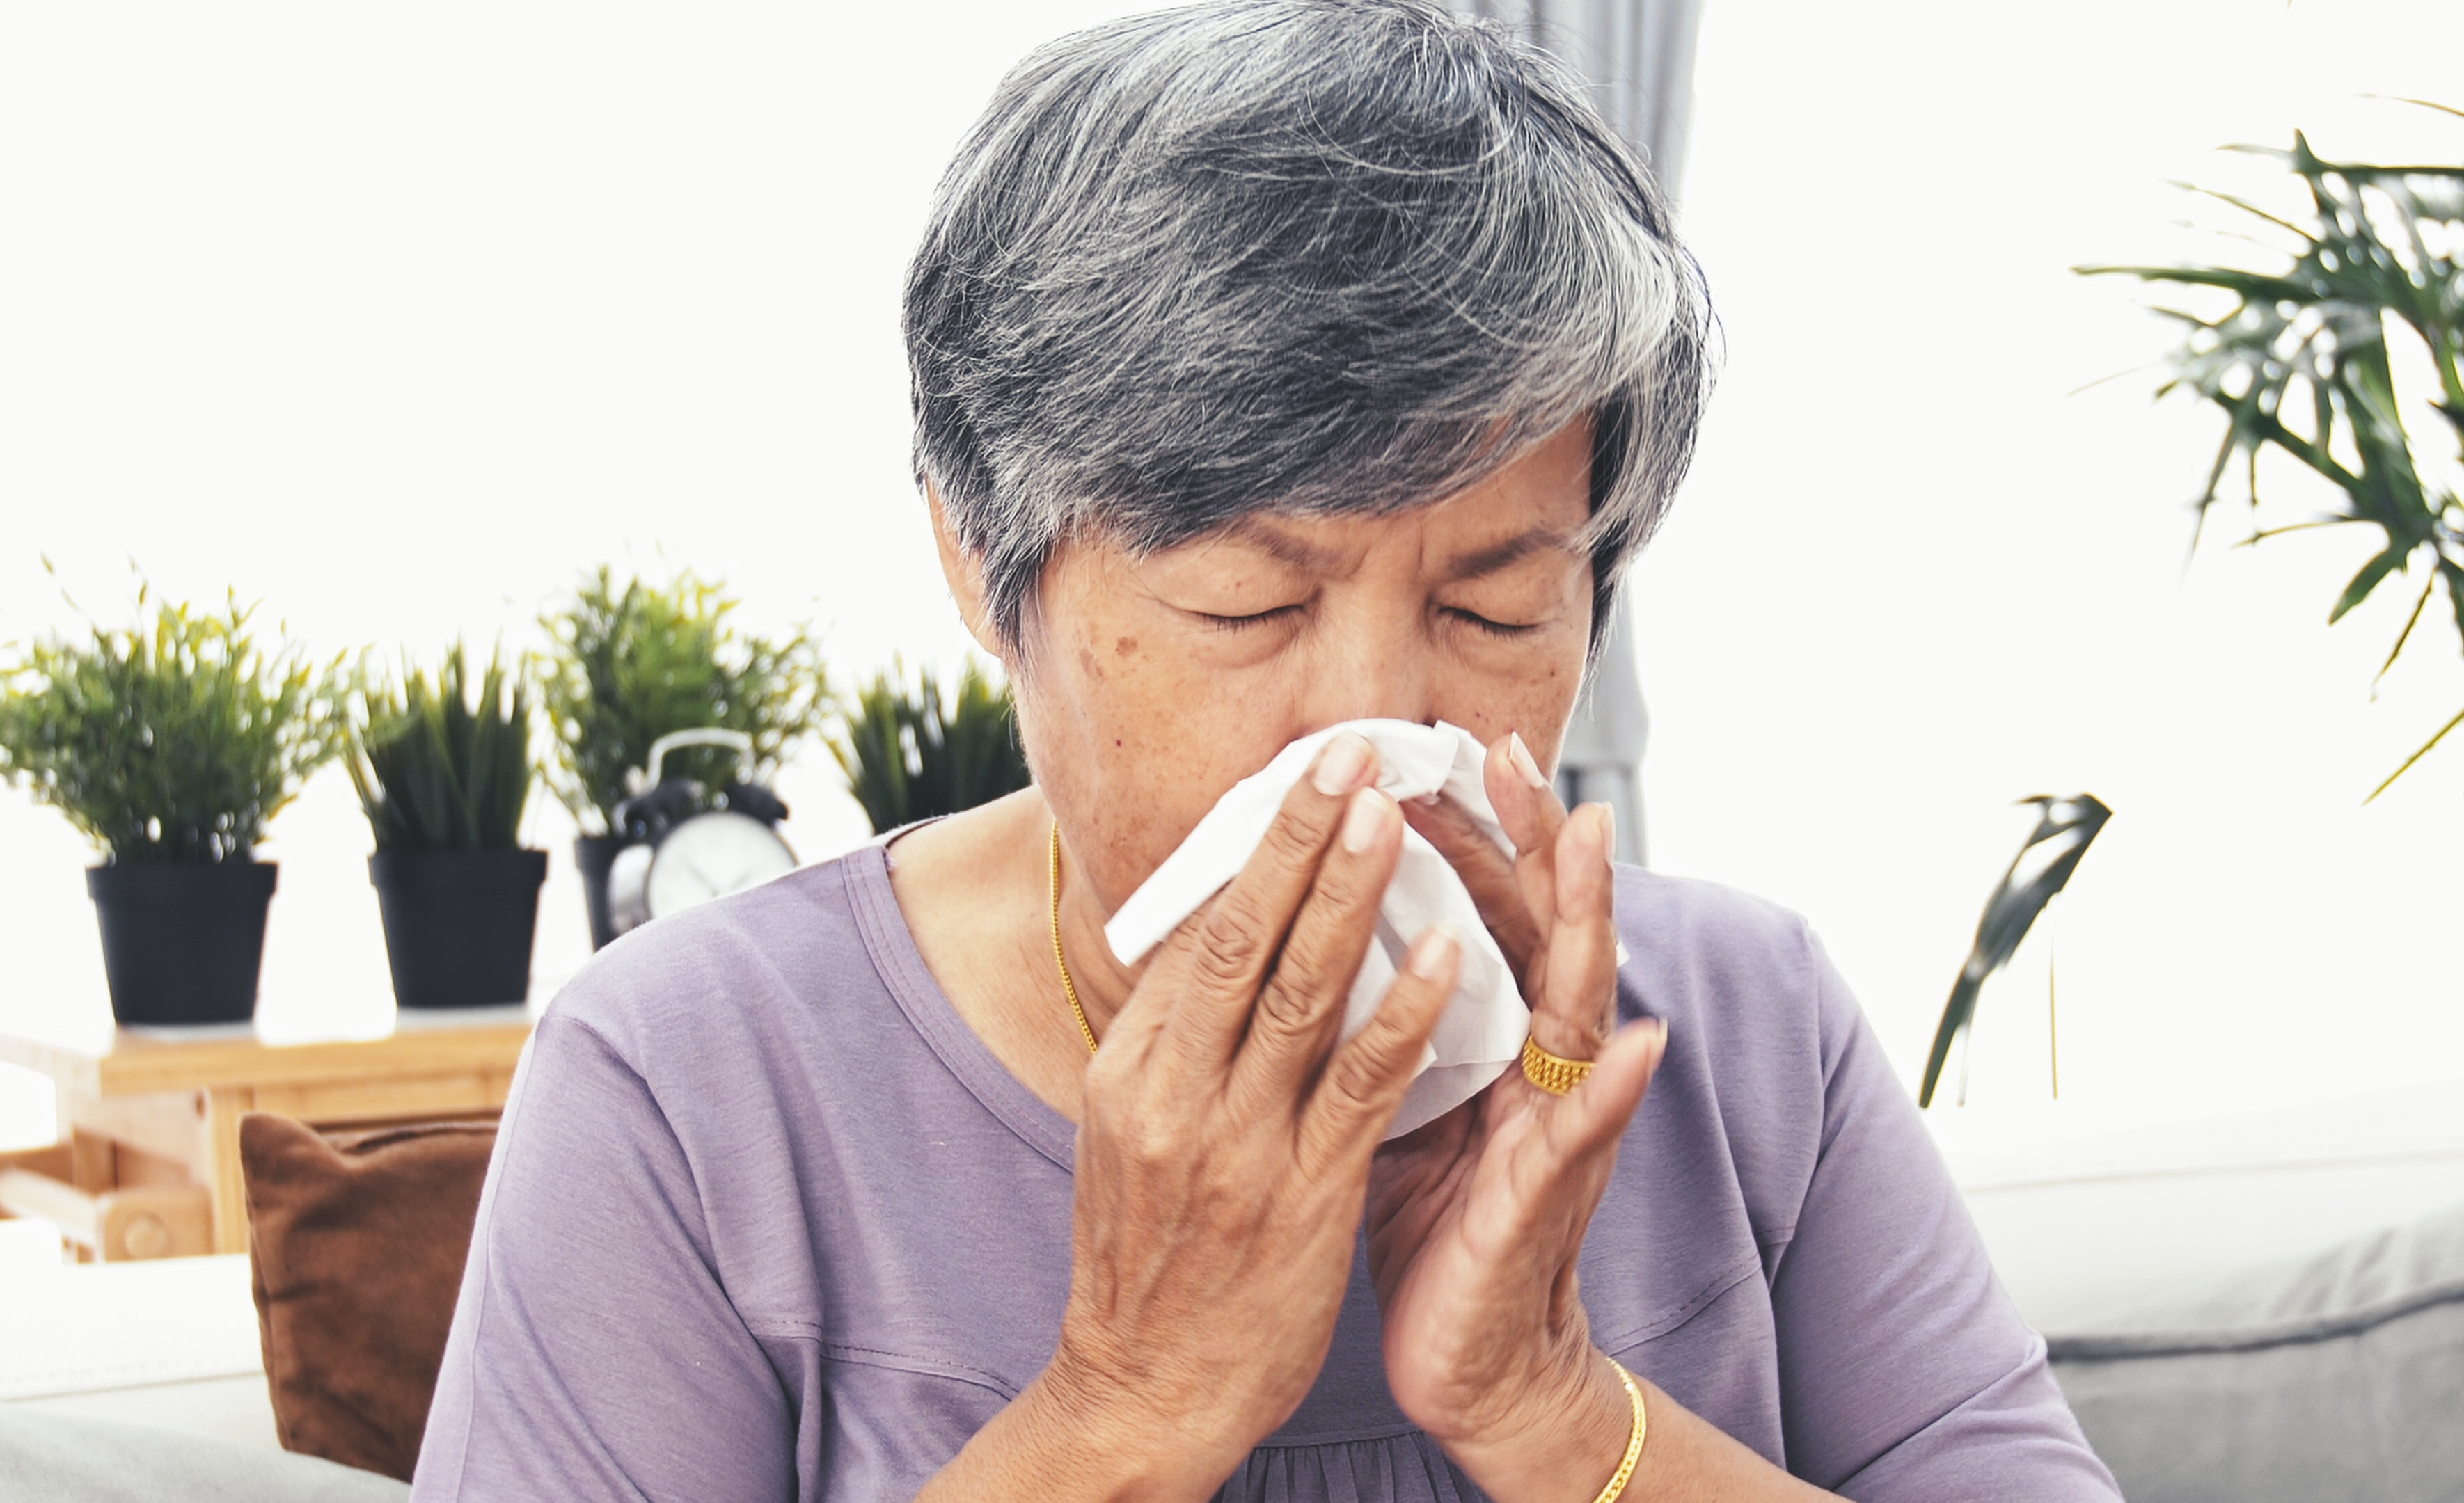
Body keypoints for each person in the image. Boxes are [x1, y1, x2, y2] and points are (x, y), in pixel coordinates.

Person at [413, 3, 2121, 1499]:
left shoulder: (1745, 1038)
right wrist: (1120, 1413)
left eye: (1496, 609)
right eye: (1247, 605)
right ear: (976, 560)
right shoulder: (692, 1092)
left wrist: (1550, 1410)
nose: (1375, 739)